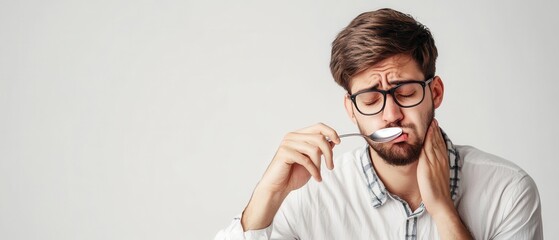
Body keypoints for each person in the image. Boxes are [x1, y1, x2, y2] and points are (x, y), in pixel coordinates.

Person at [215, 8, 543, 240]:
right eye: (371, 100)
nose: (391, 115)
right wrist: (269, 194)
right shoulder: (313, 194)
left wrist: (443, 210)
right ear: (351, 110)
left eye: (404, 92)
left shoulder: (507, 191)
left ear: (436, 92)